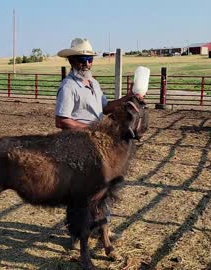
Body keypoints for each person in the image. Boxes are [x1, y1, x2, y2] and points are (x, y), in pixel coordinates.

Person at [55, 38, 139, 240]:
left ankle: (103, 230)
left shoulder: (93, 83)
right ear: (72, 61)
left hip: (97, 143)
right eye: (82, 59)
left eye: (89, 59)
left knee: (103, 187)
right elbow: (61, 121)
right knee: (80, 192)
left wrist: (127, 98)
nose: (86, 63)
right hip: (78, 144)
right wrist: (92, 129)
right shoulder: (68, 87)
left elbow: (105, 107)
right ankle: (77, 233)